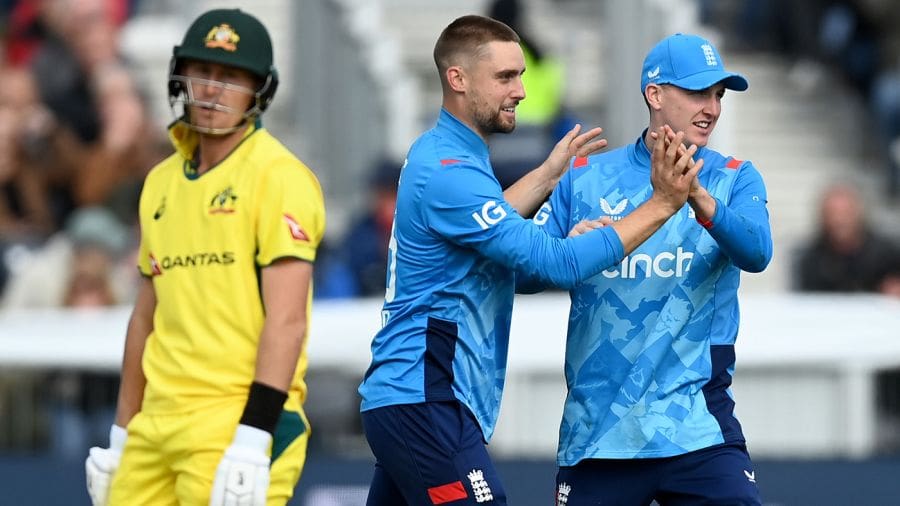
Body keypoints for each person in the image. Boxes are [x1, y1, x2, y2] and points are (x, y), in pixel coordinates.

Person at [357, 15, 701, 505]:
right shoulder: (450, 170)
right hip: (427, 397)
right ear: (457, 80)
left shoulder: (445, 155)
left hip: (409, 396)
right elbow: (552, 264)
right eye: (505, 77)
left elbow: (497, 230)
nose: (520, 90)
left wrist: (546, 177)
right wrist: (663, 204)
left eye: (520, 75)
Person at [84, 8, 325, 506]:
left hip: (236, 418)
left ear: (260, 90)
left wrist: (254, 437)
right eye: (204, 72)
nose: (213, 89)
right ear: (181, 77)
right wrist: (121, 435)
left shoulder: (280, 176)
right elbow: (145, 319)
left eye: (232, 77)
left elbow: (287, 322)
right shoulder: (159, 183)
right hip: (156, 423)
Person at [523, 33, 773, 505]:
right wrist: (570, 251)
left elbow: (757, 252)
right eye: (699, 92)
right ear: (654, 95)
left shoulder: (735, 175)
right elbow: (520, 273)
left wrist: (696, 195)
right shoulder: (584, 177)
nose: (712, 108)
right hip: (599, 432)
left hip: (698, 426)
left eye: (718, 95)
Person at [795, 182, 900, 294]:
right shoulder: (810, 259)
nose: (839, 220)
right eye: (833, 214)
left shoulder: (887, 254)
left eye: (845, 213)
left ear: (858, 213)